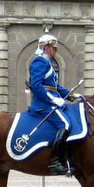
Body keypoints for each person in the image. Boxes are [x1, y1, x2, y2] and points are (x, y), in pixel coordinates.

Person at [27, 34, 76, 174]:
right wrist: (53, 100)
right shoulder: (39, 61)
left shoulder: (47, 63)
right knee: (65, 125)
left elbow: (55, 88)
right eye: (54, 48)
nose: (56, 51)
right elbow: (36, 85)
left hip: (52, 103)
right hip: (44, 104)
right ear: (47, 47)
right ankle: (55, 162)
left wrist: (72, 96)